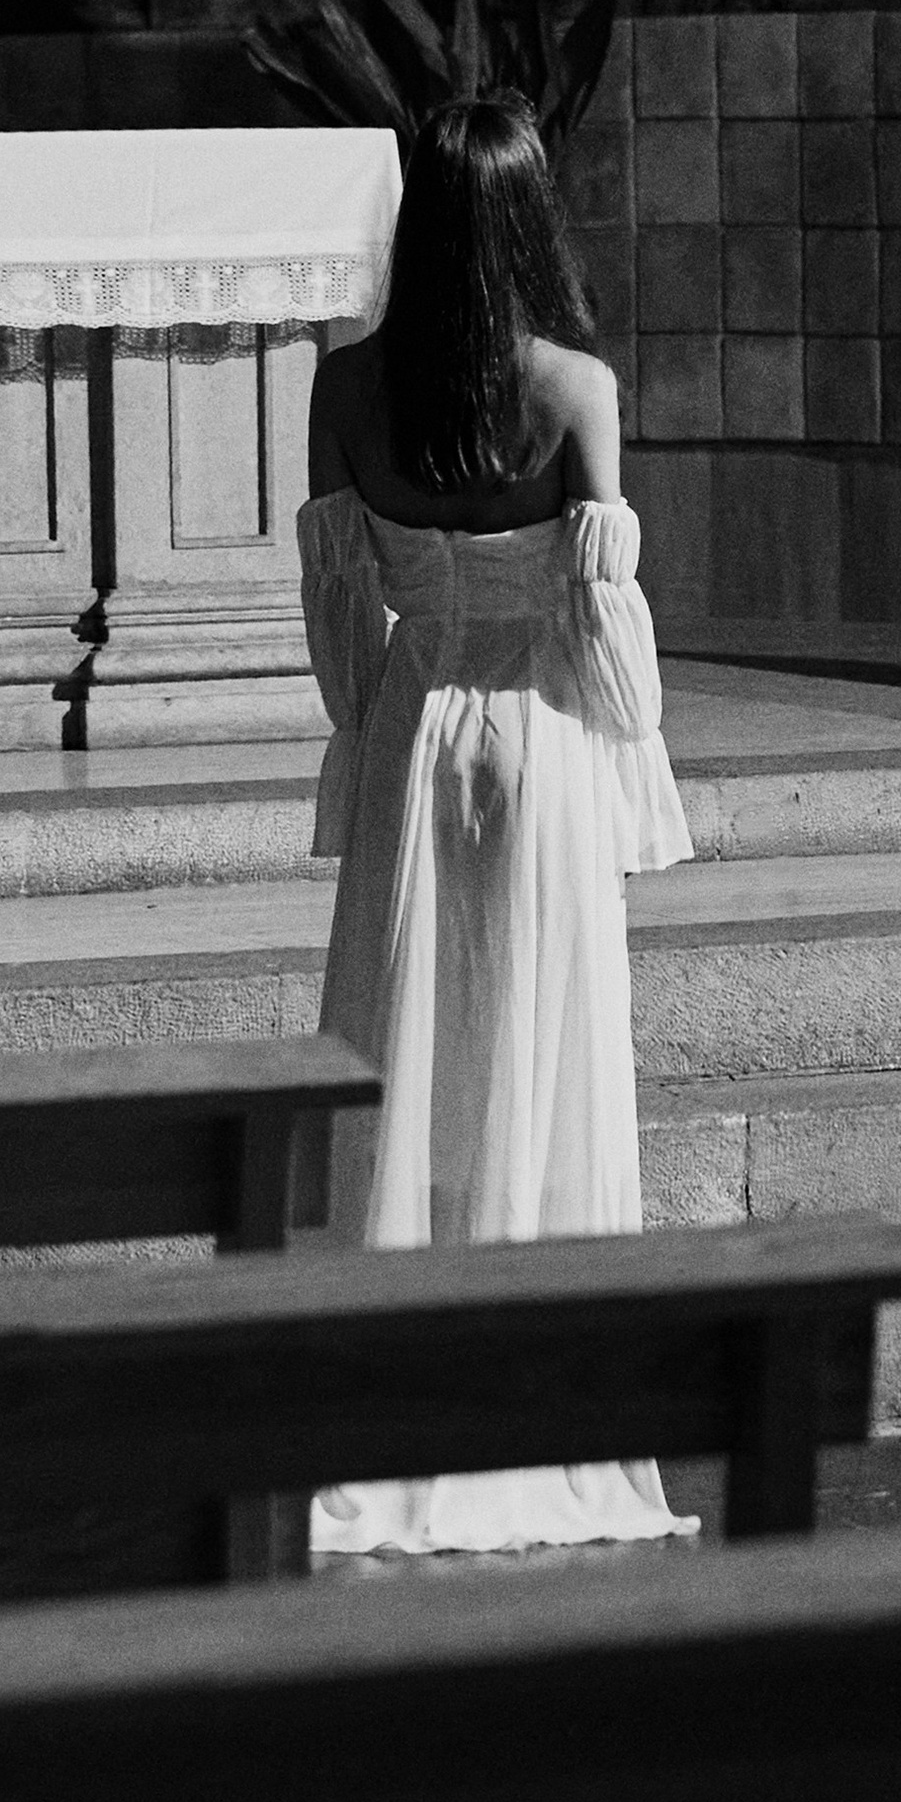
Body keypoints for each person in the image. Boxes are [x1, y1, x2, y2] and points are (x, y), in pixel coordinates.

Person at [297, 91, 695, 1554]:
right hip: (544, 738)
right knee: (543, 1048)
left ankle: (394, 1381)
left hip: (417, 730)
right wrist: (637, 774)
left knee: (411, 1047)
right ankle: (536, 1384)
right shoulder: (575, 389)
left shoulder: (347, 389)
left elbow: (342, 611)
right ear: (531, 221)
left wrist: (371, 725)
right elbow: (603, 622)